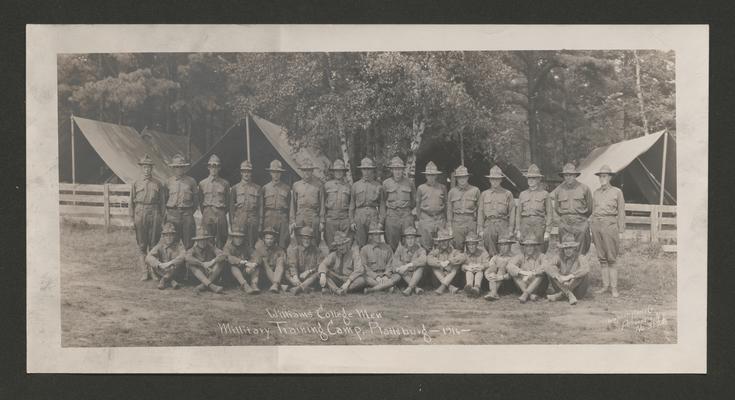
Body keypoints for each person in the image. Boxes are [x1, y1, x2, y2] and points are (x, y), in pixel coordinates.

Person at [590, 164, 626, 297]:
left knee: (611, 257)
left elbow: (621, 211)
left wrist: (621, 230)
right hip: (596, 225)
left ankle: (614, 288)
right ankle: (605, 286)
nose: (602, 178)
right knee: (602, 258)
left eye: (604, 176)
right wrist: (591, 228)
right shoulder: (596, 193)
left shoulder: (617, 192)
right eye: (600, 176)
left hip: (610, 225)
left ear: (610, 177)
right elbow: (593, 211)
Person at [130, 154, 165, 281]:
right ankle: (144, 271)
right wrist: (131, 219)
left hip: (155, 213)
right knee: (142, 245)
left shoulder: (158, 183)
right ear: (141, 168)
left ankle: (153, 271)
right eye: (144, 167)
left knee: (154, 244)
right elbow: (131, 203)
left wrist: (162, 220)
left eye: (149, 167)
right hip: (140, 213)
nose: (147, 170)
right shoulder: (136, 183)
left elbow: (162, 203)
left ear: (152, 169)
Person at [552, 162, 593, 255]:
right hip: (565, 222)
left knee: (581, 243)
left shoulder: (584, 188)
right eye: (566, 175)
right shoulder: (559, 190)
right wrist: (565, 218)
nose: (568, 177)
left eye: (571, 175)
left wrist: (581, 218)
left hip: (580, 221)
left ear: (575, 175)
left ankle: (580, 264)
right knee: (565, 247)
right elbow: (557, 209)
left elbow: (590, 208)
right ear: (563, 176)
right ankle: (566, 265)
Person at [477, 165, 516, 257]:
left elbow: (512, 212)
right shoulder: (484, 194)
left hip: (503, 224)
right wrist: (480, 229)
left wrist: (511, 229)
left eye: (497, 179)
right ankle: (492, 267)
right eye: (493, 179)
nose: (495, 181)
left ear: (501, 180)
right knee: (490, 250)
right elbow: (481, 212)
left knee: (504, 250)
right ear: (490, 180)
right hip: (489, 224)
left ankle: (503, 268)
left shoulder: (507, 194)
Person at [163, 154, 199, 249]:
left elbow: (195, 201)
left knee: (189, 241)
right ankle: (173, 262)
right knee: (172, 241)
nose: (179, 169)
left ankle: (188, 262)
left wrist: (189, 212)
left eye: (181, 167)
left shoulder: (191, 181)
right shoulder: (168, 182)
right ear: (173, 168)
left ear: (184, 168)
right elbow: (165, 199)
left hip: (187, 214)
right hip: (172, 215)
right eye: (177, 167)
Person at [515, 164, 552, 253]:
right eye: (529, 178)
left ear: (539, 179)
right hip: (525, 226)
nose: (531, 180)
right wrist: (518, 230)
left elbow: (550, 213)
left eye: (534, 178)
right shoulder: (522, 194)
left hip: (539, 225)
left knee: (540, 251)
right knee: (525, 251)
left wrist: (547, 231)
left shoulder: (545, 194)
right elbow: (518, 214)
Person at [381, 157, 416, 251]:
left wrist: (406, 209)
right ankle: (394, 263)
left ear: (403, 170)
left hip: (406, 216)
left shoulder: (409, 183)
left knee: (408, 241)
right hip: (392, 216)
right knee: (391, 242)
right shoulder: (386, 183)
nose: (397, 172)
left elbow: (414, 200)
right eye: (395, 169)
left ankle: (407, 263)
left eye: (399, 169)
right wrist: (382, 220)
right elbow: (383, 202)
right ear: (391, 170)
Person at [545, 234, 591, 305]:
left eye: (570, 248)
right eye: (566, 248)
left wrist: (569, 277)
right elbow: (547, 267)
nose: (568, 250)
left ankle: (560, 295)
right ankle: (569, 294)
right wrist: (558, 276)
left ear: (574, 248)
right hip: (562, 285)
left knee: (583, 273)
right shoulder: (559, 256)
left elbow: (586, 268)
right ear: (563, 249)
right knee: (553, 269)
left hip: (578, 291)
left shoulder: (580, 256)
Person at [349, 157, 384, 247]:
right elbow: (352, 205)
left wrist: (381, 221)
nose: (367, 172)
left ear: (372, 170)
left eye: (369, 169)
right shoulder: (355, 186)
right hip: (359, 216)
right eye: (364, 169)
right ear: (361, 170)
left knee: (375, 242)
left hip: (373, 216)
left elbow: (382, 205)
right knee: (361, 242)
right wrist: (352, 221)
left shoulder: (378, 185)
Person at [198, 154, 231, 248]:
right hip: (207, 212)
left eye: (216, 166)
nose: (213, 169)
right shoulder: (202, 183)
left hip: (220, 213)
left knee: (222, 238)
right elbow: (201, 202)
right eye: (211, 166)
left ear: (219, 168)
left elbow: (228, 202)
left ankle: (220, 260)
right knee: (207, 238)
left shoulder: (225, 183)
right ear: (208, 167)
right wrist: (206, 211)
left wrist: (221, 212)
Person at [290, 160, 325, 247]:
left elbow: (322, 204)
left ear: (312, 171)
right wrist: (292, 220)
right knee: (300, 241)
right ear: (301, 171)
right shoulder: (296, 185)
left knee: (314, 241)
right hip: (300, 216)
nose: (307, 172)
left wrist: (322, 221)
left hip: (313, 216)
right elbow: (293, 205)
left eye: (309, 170)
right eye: (304, 170)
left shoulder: (318, 185)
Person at [259, 160, 292, 250]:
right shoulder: (265, 188)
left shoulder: (287, 188)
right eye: (274, 172)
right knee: (268, 242)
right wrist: (261, 222)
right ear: (270, 173)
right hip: (269, 217)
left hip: (282, 217)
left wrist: (290, 221)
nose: (276, 174)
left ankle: (281, 261)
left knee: (283, 242)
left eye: (278, 172)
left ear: (281, 173)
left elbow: (290, 206)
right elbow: (261, 207)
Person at [506, 235, 549, 303]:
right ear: (524, 248)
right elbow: (509, 266)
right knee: (514, 275)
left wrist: (532, 273)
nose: (529, 248)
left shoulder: (541, 256)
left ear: (535, 247)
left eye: (531, 246)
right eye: (527, 246)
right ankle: (530, 294)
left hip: (539, 287)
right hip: (524, 284)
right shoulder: (520, 256)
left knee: (540, 275)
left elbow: (546, 266)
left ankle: (525, 294)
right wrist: (522, 272)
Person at [185, 226, 227, 294]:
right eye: (200, 240)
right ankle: (212, 286)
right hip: (198, 276)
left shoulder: (211, 247)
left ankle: (203, 285)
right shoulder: (193, 249)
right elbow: (187, 258)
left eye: (205, 239)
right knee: (190, 264)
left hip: (210, 274)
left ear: (207, 240)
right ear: (197, 241)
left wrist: (212, 262)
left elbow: (223, 255)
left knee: (221, 262)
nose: (203, 242)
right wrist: (202, 264)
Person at [360, 222, 400, 294]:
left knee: (398, 276)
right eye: (375, 235)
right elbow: (365, 267)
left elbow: (390, 263)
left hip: (386, 276)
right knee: (364, 278)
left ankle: (372, 290)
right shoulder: (364, 249)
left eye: (379, 234)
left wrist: (386, 275)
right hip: (372, 277)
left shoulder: (387, 247)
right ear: (370, 236)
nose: (378, 236)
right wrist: (376, 277)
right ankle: (387, 287)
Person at [230, 160, 262, 250]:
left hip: (253, 218)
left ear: (251, 173)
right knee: (239, 243)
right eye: (244, 171)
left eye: (248, 171)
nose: (246, 174)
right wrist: (232, 224)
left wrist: (260, 224)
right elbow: (231, 209)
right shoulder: (235, 188)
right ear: (241, 173)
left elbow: (260, 208)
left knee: (252, 243)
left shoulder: (257, 188)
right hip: (240, 218)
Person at [415, 161, 447, 250]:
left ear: (436, 176)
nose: (431, 177)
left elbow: (446, 203)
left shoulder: (442, 187)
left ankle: (439, 261)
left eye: (433, 175)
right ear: (426, 176)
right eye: (429, 175)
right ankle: (427, 260)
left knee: (441, 242)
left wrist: (447, 220)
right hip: (426, 218)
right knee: (426, 244)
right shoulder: (421, 188)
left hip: (440, 218)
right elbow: (418, 205)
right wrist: (419, 219)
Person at [448, 165, 481, 250]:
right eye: (459, 177)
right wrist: (450, 226)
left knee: (472, 246)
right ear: (457, 178)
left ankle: (470, 263)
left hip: (471, 222)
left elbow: (480, 210)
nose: (462, 179)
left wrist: (479, 226)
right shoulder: (452, 192)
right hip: (457, 223)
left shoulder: (475, 190)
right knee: (458, 247)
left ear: (467, 177)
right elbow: (449, 210)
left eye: (464, 177)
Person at [145, 222, 186, 290]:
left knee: (175, 265)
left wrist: (170, 263)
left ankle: (164, 279)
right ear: (163, 237)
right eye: (166, 235)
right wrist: (159, 264)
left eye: (171, 235)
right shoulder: (160, 245)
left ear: (174, 236)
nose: (169, 238)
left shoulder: (179, 245)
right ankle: (171, 281)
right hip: (162, 269)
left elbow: (183, 255)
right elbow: (148, 257)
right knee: (153, 263)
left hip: (175, 271)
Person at [322, 159, 352, 248]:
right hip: (331, 219)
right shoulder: (327, 185)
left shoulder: (349, 186)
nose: (338, 173)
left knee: (345, 245)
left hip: (344, 219)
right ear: (333, 172)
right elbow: (322, 204)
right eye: (336, 171)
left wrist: (350, 220)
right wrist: (323, 220)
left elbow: (351, 205)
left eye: (341, 171)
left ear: (343, 172)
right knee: (332, 245)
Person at [426, 228, 466, 295]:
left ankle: (443, 286)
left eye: (445, 241)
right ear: (438, 242)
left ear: (449, 241)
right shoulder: (436, 251)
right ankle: (450, 286)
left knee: (456, 265)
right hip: (438, 279)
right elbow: (428, 259)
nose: (443, 243)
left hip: (453, 279)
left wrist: (449, 262)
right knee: (434, 266)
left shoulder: (454, 251)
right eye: (441, 241)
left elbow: (463, 257)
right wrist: (440, 263)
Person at [392, 226, 428, 296]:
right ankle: (415, 288)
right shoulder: (400, 248)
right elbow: (394, 262)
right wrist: (399, 268)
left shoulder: (420, 249)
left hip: (417, 277)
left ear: (416, 239)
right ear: (405, 239)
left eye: (412, 238)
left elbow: (423, 260)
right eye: (408, 238)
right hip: (405, 276)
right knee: (401, 269)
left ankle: (409, 288)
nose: (410, 240)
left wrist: (407, 265)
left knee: (420, 268)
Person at [288, 227, 324, 295]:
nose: (306, 241)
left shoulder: (317, 251)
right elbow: (292, 265)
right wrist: (295, 276)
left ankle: (299, 287)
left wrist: (309, 271)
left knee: (318, 273)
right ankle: (306, 287)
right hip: (298, 277)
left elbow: (321, 265)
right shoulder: (295, 250)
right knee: (287, 271)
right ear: (301, 239)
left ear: (311, 240)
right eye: (304, 238)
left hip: (311, 278)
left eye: (308, 239)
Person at [223, 230, 260, 295]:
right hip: (231, 275)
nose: (239, 240)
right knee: (233, 266)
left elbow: (256, 254)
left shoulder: (245, 246)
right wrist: (243, 262)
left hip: (244, 271)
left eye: (241, 238)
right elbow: (227, 256)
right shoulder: (228, 246)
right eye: (236, 237)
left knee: (256, 266)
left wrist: (253, 263)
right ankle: (244, 285)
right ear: (233, 238)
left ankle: (254, 284)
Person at [252, 226, 288, 293]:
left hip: (276, 275)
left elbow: (285, 264)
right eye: (267, 238)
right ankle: (255, 285)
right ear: (264, 239)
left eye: (271, 239)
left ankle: (275, 284)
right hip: (262, 276)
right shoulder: (259, 249)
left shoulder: (279, 250)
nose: (269, 241)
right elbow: (255, 261)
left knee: (281, 260)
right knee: (262, 261)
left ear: (274, 239)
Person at [483, 234, 515, 301]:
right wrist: (488, 275)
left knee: (502, 268)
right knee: (493, 270)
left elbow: (514, 273)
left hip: (508, 283)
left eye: (505, 245)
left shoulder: (514, 258)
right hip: (494, 281)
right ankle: (494, 293)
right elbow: (490, 268)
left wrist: (501, 277)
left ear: (510, 245)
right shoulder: (495, 257)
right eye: (501, 245)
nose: (503, 247)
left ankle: (493, 292)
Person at [460, 232, 489, 298]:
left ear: (477, 244)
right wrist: (467, 267)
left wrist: (482, 266)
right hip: (469, 275)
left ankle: (476, 288)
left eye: (473, 244)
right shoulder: (465, 254)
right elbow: (462, 265)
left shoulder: (483, 252)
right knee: (468, 272)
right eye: (469, 245)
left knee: (479, 272)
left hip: (482, 277)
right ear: (467, 245)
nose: (471, 247)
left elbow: (487, 263)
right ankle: (469, 286)